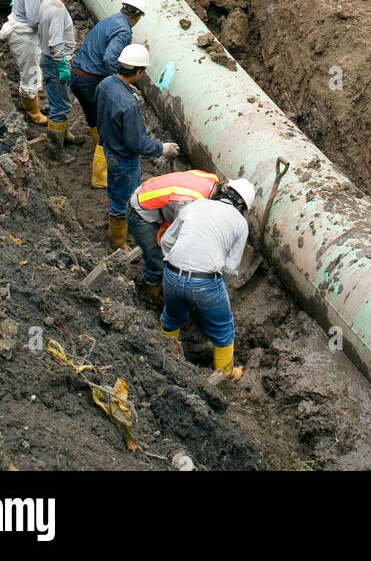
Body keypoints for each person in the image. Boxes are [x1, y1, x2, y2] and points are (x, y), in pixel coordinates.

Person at [160, 177, 255, 379]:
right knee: (223, 329)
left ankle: (164, 360)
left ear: (224, 191)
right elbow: (230, 266)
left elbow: (167, 241)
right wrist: (213, 287)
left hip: (170, 274)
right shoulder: (240, 223)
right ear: (242, 206)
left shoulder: (198, 204)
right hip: (205, 282)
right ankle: (225, 375)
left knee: (171, 317)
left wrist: (177, 267)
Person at [95, 43, 179, 249]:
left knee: (116, 189)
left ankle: (116, 217)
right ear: (138, 71)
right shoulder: (128, 105)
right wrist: (162, 148)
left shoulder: (105, 84)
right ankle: (118, 243)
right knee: (125, 198)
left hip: (109, 148)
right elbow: (137, 142)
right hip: (124, 158)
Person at [70, 0, 147, 190]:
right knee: (106, 129)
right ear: (138, 17)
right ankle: (100, 177)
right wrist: (120, 82)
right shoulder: (123, 31)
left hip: (78, 75)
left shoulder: (110, 20)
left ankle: (101, 153)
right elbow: (109, 58)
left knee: (94, 117)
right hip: (90, 79)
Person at [128, 169, 220, 305]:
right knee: (157, 260)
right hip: (140, 212)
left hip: (152, 193)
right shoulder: (191, 204)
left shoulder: (213, 179)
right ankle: (153, 293)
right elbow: (174, 237)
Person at [0, 0, 64, 125]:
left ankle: (33, 105)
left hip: (22, 28)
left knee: (33, 68)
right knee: (30, 72)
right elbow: (35, 21)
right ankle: (33, 112)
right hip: (24, 35)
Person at [36, 0, 83, 162]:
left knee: (60, 101)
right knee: (59, 107)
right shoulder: (56, 9)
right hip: (56, 62)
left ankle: (63, 136)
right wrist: (63, 67)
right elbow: (55, 41)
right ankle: (56, 148)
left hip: (50, 60)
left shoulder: (48, 1)